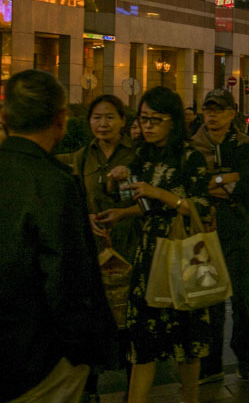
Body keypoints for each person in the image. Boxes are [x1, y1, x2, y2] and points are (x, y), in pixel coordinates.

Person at [0, 70, 116, 403]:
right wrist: (83, 350)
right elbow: (67, 279)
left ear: (6, 117)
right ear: (61, 119)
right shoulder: (55, 184)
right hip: (37, 362)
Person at [108, 86, 212, 403]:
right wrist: (119, 189)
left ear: (173, 121)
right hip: (150, 254)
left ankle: (190, 398)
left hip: (184, 255)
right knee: (142, 342)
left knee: (187, 341)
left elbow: (201, 208)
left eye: (155, 119)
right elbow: (138, 201)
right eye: (143, 119)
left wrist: (157, 192)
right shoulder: (142, 155)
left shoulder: (191, 156)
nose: (148, 126)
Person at [56, 94, 141, 403]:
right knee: (93, 319)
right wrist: (86, 215)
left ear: (122, 121)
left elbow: (147, 203)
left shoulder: (136, 155)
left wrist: (123, 209)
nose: (102, 123)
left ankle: (134, 390)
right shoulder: (81, 157)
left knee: (129, 323)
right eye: (96, 118)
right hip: (94, 252)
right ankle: (90, 390)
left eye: (109, 117)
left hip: (130, 248)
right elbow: (74, 198)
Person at [188, 89, 249, 383]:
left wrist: (213, 181)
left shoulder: (245, 145)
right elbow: (191, 185)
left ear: (232, 113)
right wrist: (226, 179)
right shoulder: (192, 146)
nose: (212, 116)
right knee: (210, 301)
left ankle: (245, 356)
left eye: (218, 110)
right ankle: (211, 363)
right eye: (208, 110)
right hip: (204, 231)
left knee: (245, 301)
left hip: (240, 229)